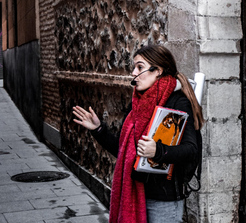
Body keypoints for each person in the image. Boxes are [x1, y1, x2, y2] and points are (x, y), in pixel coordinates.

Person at [73, 45, 204, 223]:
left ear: (157, 71)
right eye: (134, 67)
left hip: (163, 198)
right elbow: (124, 151)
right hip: (136, 188)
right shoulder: (138, 102)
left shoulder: (177, 102)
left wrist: (157, 151)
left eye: (140, 67)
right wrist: (99, 130)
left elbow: (191, 150)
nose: (133, 72)